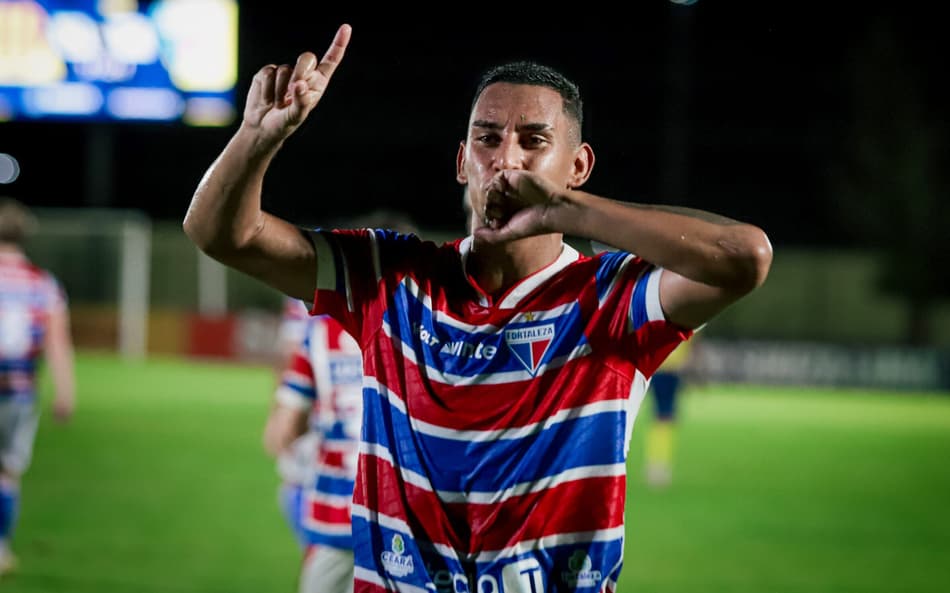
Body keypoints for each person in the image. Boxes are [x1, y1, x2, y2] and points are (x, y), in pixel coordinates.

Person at [183, 23, 772, 593]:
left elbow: (745, 257)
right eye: (487, 139)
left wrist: (568, 210)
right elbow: (220, 234)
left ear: (578, 167)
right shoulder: (391, 277)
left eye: (534, 141)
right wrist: (256, 140)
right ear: (462, 162)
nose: (506, 159)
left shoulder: (608, 298)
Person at [263, 210, 420, 593]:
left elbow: (281, 432)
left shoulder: (320, 332)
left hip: (336, 515)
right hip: (408, 520)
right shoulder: (429, 331)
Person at [0, 198, 76, 577]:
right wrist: (65, 392)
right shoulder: (42, 284)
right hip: (19, 391)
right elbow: (57, 344)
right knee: (7, 472)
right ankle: (0, 549)